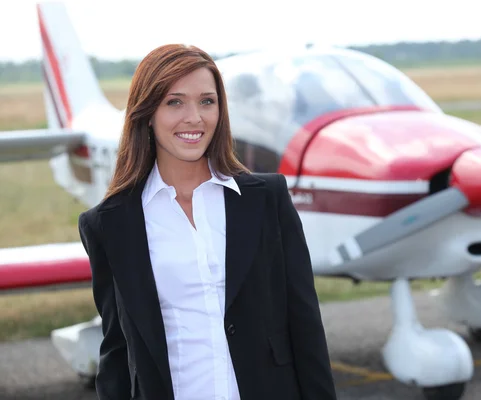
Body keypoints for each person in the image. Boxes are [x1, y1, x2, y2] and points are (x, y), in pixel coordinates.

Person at [78, 44, 338, 400]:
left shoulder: (267, 200)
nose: (195, 118)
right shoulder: (109, 225)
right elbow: (118, 351)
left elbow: (305, 326)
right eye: (175, 102)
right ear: (147, 113)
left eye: (207, 101)